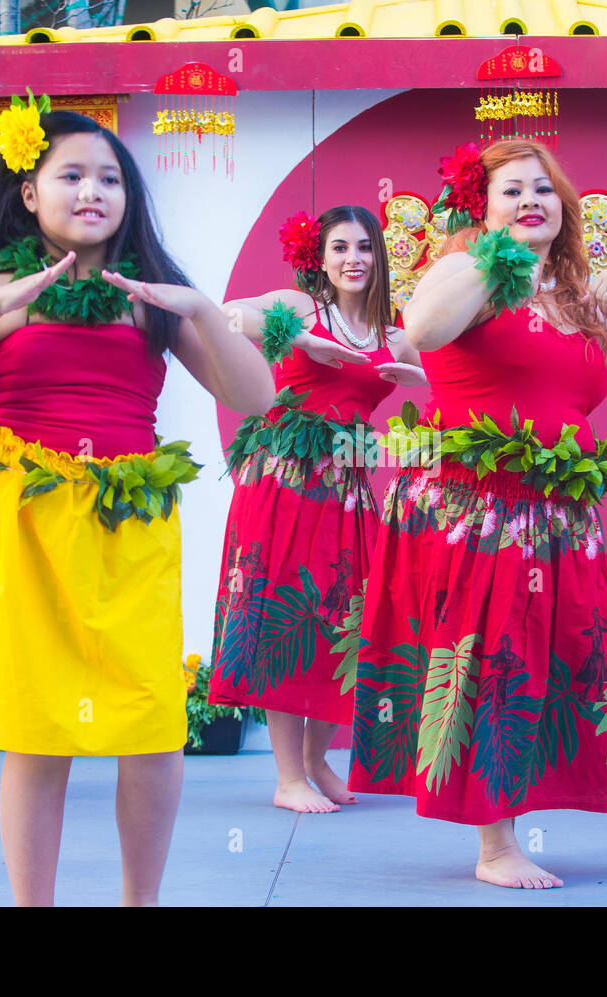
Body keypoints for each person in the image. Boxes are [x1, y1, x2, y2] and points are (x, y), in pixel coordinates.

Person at [0, 103, 274, 906]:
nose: (93, 190)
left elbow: (255, 393)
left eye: (109, 178)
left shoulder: (150, 298)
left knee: (152, 725)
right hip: (26, 530)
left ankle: (142, 901)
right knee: (40, 734)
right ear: (29, 193)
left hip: (127, 531)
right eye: (70, 174)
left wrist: (200, 307)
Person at [347, 139, 607, 888]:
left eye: (543, 189)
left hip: (557, 516)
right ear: (480, 205)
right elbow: (427, 329)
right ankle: (494, 845)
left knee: (547, 659)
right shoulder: (465, 271)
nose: (530, 200)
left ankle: (510, 818)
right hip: (474, 504)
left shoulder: (576, 302)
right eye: (510, 191)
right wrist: (492, 251)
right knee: (488, 654)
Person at [208, 204, 426, 813]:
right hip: (283, 478)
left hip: (348, 485)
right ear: (322, 258)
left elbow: (441, 374)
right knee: (286, 614)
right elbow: (229, 318)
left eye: (363, 248)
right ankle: (287, 778)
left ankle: (315, 761)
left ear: (380, 257)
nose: (352, 259)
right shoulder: (303, 307)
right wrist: (302, 341)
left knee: (344, 620)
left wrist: (412, 379)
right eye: (339, 248)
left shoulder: (395, 333)